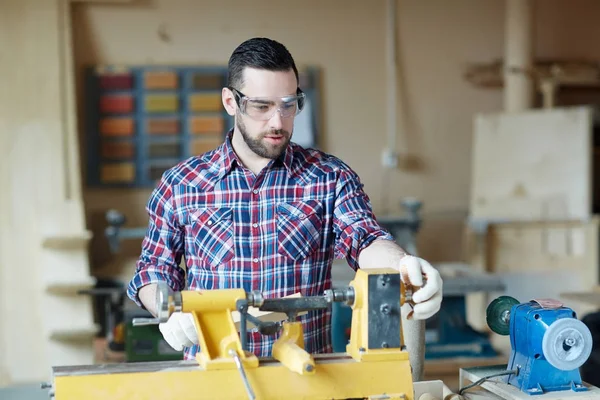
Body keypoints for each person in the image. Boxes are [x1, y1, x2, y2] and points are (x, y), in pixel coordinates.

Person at [127, 37, 442, 375]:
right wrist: (169, 310)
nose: (278, 122)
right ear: (230, 101)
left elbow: (365, 240)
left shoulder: (328, 178)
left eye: (288, 105)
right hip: (214, 380)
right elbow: (154, 270)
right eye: (262, 106)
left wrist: (406, 266)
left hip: (308, 379)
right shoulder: (182, 184)